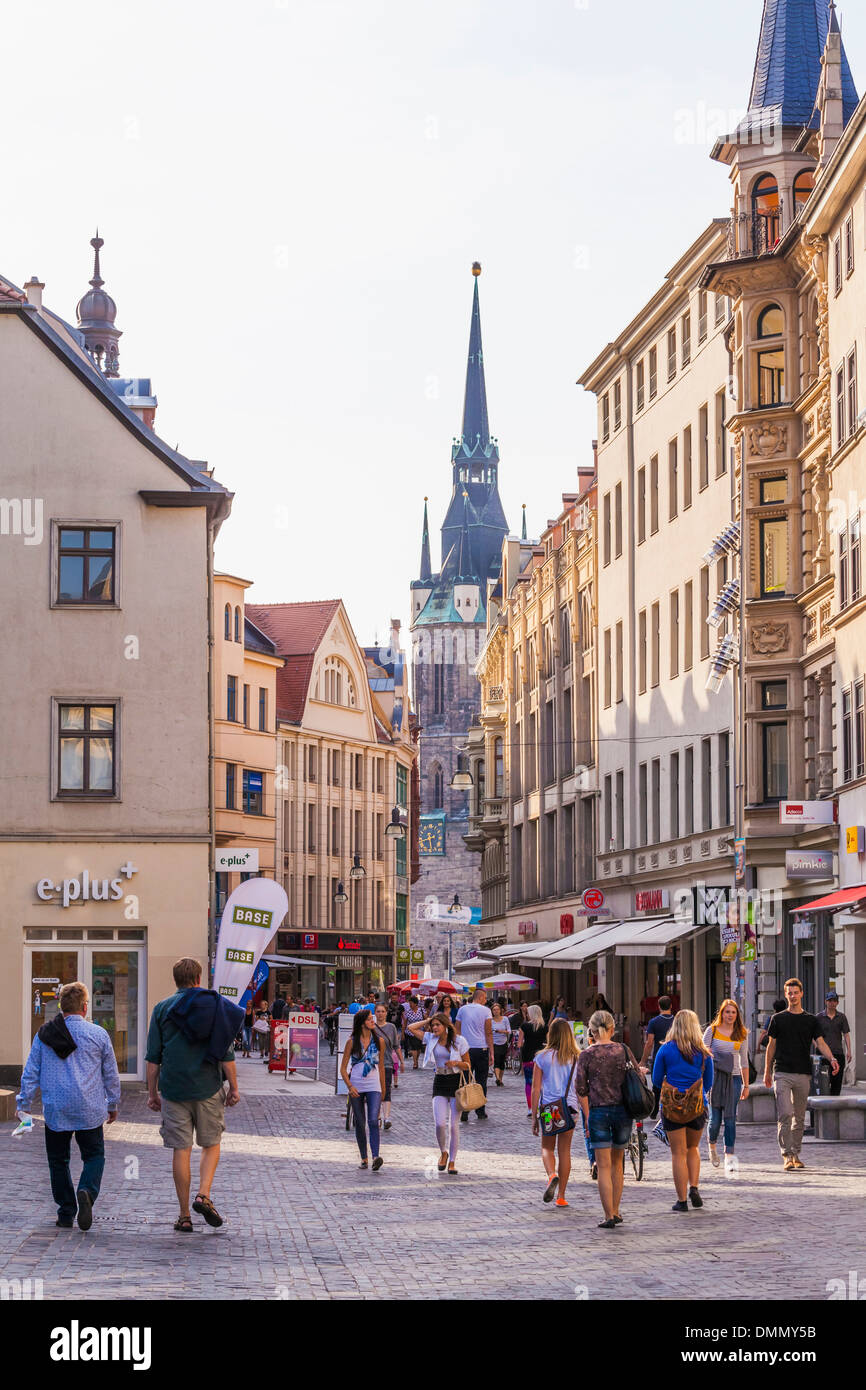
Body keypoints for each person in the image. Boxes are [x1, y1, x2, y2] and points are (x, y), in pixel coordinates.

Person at [145, 957, 242, 1232]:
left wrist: (153, 1093)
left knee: (181, 1149)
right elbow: (226, 1054)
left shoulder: (162, 1009)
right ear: (199, 979)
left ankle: (184, 1214)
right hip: (208, 1087)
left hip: (174, 1088)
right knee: (211, 1143)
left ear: (175, 980)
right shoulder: (214, 1006)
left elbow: (153, 1058)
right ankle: (204, 1193)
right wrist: (233, 1087)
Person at [16, 981, 121, 1231]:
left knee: (58, 1161)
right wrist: (113, 1103)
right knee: (94, 1155)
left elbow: (31, 1072)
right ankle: (86, 1189)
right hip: (90, 1108)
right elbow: (110, 1074)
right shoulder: (98, 1034)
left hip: (56, 1109)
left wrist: (24, 1104)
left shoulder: (44, 1035)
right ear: (85, 1007)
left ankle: (66, 1212)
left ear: (60, 1007)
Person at [764, 978, 839, 1170]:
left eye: (795, 992)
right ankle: (786, 1155)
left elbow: (820, 1042)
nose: (792, 995)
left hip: (803, 1073)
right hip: (781, 1072)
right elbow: (771, 1046)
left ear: (801, 994)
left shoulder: (810, 1020)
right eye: (789, 992)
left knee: (799, 1117)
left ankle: (796, 1153)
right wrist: (766, 1071)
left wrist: (832, 1059)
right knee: (785, 1114)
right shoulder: (777, 1019)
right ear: (786, 994)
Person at [576, 1010, 639, 1228]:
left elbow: (580, 1089)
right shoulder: (622, 1050)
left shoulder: (586, 1055)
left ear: (591, 1031)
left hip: (598, 1112)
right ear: (612, 1028)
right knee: (617, 1164)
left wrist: (586, 1116)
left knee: (602, 1166)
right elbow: (638, 1074)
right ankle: (616, 1209)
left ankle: (608, 1215)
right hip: (622, 1111)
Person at [653, 1009, 713, 1213]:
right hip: (697, 1107)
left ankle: (681, 1201)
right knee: (693, 1148)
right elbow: (709, 1082)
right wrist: (695, 1092)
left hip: (672, 1107)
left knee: (677, 1153)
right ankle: (694, 1187)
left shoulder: (666, 1049)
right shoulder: (703, 1052)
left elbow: (655, 1079)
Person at [407, 1011, 471, 1174]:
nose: (434, 1027)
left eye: (437, 1025)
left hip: (455, 1081)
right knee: (439, 1123)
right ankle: (443, 1151)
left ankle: (452, 1162)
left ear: (445, 1026)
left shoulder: (459, 1041)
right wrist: (428, 1019)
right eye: (433, 1025)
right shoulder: (430, 1038)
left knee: (453, 1126)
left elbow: (468, 1065)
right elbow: (411, 1028)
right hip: (440, 1081)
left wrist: (456, 1062)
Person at [531, 1019, 580, 1208]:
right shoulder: (577, 1056)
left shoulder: (542, 1057)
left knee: (547, 1148)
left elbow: (536, 1088)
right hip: (570, 1108)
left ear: (550, 1034)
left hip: (550, 1109)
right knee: (565, 1151)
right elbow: (580, 1086)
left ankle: (552, 1175)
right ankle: (561, 1196)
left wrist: (535, 1114)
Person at [702, 999, 749, 1171]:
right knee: (715, 1120)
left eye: (733, 1012)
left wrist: (746, 1085)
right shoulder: (712, 1031)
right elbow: (702, 1052)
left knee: (730, 1119)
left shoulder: (741, 1033)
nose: (730, 1015)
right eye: (727, 1012)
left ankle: (729, 1155)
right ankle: (712, 1146)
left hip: (734, 1079)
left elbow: (744, 1061)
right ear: (721, 1013)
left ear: (737, 1015)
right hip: (714, 1078)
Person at [340, 1008, 386, 1170]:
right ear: (361, 1023)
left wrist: (383, 1089)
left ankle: (375, 1156)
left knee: (373, 1120)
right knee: (360, 1122)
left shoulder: (379, 1041)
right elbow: (343, 1068)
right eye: (368, 1019)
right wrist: (350, 1086)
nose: (372, 1021)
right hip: (357, 1084)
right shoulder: (352, 1042)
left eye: (372, 1018)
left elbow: (381, 1067)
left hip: (374, 1085)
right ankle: (364, 1158)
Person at [455, 988, 494, 1121]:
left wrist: (457, 1048)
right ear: (481, 997)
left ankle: (465, 1109)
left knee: (465, 1079)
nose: (485, 1000)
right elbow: (488, 1032)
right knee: (481, 1080)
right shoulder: (486, 1011)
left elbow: (457, 1030)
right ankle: (480, 1110)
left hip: (466, 1049)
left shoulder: (462, 1009)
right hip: (481, 1048)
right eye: (485, 998)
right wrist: (491, 1052)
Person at [640, 995, 676, 1118]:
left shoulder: (653, 1022)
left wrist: (643, 1061)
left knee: (657, 1081)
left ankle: (655, 1109)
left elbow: (649, 1043)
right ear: (671, 1006)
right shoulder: (676, 1021)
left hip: (658, 1055)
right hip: (674, 1055)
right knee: (672, 1079)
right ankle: (671, 1106)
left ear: (659, 1006)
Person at [815, 992, 852, 1098]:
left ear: (837, 1003)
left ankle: (834, 1107)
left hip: (838, 1053)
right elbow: (813, 1035)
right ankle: (824, 1106)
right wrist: (816, 1045)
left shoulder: (841, 1017)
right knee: (823, 1082)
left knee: (837, 1083)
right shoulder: (819, 1017)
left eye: (834, 1001)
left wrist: (849, 1050)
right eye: (830, 1001)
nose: (832, 1003)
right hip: (823, 1055)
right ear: (825, 1002)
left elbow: (846, 1034)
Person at [517, 1004, 548, 1116]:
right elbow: (549, 1043)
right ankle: (542, 1107)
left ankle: (531, 1108)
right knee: (542, 1083)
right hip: (541, 1056)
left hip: (527, 1056)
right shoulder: (545, 1027)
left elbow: (519, 1043)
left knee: (529, 1083)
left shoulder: (524, 1026)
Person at [373, 1003, 399, 1129]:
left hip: (387, 1063)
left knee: (386, 1090)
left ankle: (386, 1117)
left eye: (383, 1011)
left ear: (386, 1013)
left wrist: (401, 1061)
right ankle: (377, 1116)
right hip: (372, 1064)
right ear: (375, 1013)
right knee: (375, 1090)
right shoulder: (371, 1027)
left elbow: (396, 1045)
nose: (380, 1014)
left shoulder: (391, 1027)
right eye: (378, 1011)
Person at [490, 1001, 511, 1087]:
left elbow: (509, 1031)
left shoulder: (505, 1019)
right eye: (494, 1010)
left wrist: (501, 1031)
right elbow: (488, 1032)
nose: (496, 1011)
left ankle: (500, 1079)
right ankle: (497, 1078)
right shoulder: (490, 1020)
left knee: (502, 1062)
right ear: (492, 1011)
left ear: (500, 1010)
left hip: (503, 1043)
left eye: (497, 1009)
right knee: (497, 1060)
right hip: (494, 1043)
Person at [403, 997, 425, 1067]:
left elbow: (426, 1019)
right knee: (414, 1047)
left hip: (420, 1032)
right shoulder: (408, 1012)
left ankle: (416, 1060)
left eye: (411, 1003)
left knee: (418, 1048)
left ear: (415, 1004)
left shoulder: (421, 1010)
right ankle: (415, 1063)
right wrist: (403, 1033)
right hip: (411, 1032)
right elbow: (405, 1023)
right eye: (409, 1003)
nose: (410, 1004)